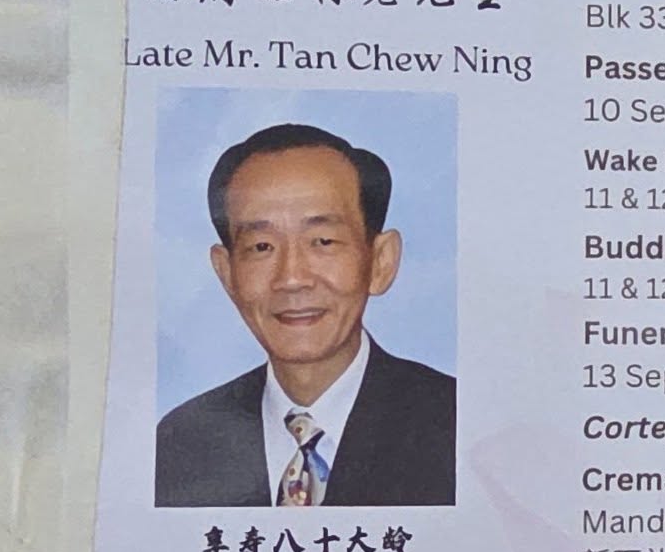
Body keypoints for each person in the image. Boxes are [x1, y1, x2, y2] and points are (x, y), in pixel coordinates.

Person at [155, 121, 456, 507]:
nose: (292, 279)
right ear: (227, 274)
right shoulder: (181, 444)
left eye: (323, 241)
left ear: (381, 261)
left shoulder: (455, 425)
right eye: (262, 247)